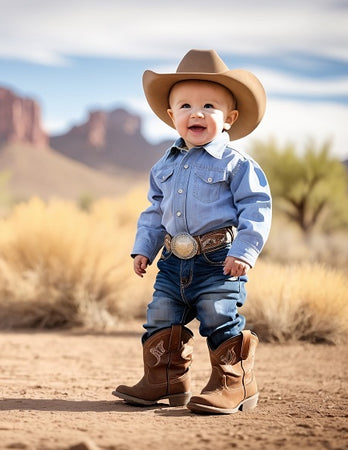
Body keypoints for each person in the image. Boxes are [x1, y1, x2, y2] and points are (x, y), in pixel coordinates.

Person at [111, 49, 272, 414]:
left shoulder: (237, 165)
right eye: (184, 106)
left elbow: (256, 208)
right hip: (171, 261)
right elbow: (154, 212)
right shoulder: (163, 166)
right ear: (172, 117)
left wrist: (244, 252)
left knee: (218, 315)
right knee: (161, 315)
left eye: (209, 107)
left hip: (219, 261)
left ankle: (235, 382)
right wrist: (143, 250)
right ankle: (165, 379)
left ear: (229, 118)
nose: (195, 113)